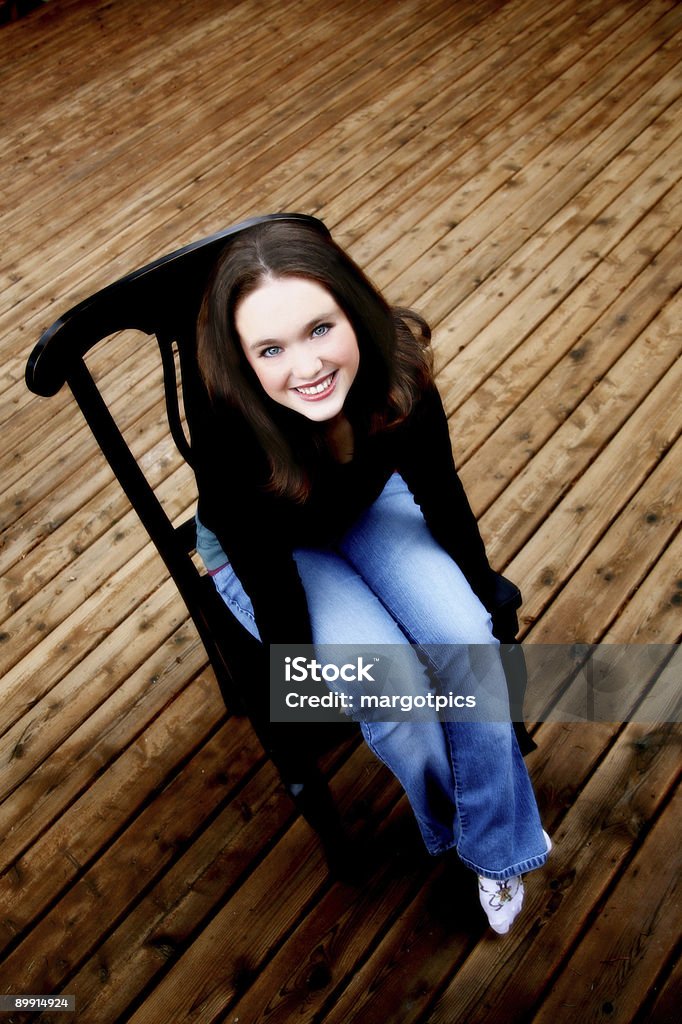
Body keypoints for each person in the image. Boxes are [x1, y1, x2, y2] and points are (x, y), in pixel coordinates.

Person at [191, 214, 551, 935]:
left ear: (354, 311)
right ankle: (478, 826)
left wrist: (479, 587)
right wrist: (301, 675)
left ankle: (493, 847)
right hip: (271, 545)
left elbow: (441, 494)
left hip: (362, 500)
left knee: (468, 642)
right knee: (396, 692)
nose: (306, 367)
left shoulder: (396, 372)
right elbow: (270, 583)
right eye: (270, 347)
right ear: (243, 360)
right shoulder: (229, 431)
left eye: (320, 329)